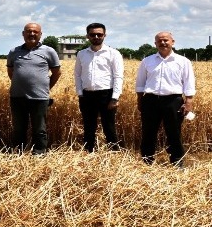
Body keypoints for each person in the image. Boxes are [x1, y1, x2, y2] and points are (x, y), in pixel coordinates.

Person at [135, 31, 195, 167]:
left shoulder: (183, 62)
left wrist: (189, 101)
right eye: (159, 41)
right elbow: (140, 82)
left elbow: (189, 83)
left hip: (173, 101)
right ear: (155, 43)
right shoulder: (147, 61)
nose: (163, 43)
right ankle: (147, 162)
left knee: (174, 133)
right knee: (148, 132)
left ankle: (177, 163)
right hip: (150, 100)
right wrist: (140, 100)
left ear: (172, 42)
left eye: (166, 40)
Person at [7, 22, 61, 155]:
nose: (32, 34)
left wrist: (46, 87)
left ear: (40, 34)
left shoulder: (49, 51)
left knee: (39, 128)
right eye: (29, 31)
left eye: (35, 32)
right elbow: (11, 72)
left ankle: (39, 153)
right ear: (23, 34)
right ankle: (18, 152)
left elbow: (57, 73)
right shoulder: (14, 52)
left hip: (40, 97)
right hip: (17, 97)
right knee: (19, 128)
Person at [74, 22, 124, 152]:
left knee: (109, 126)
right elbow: (77, 75)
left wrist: (115, 98)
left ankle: (114, 153)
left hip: (106, 95)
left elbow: (118, 76)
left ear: (104, 35)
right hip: (87, 95)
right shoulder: (82, 54)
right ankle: (88, 152)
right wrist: (80, 94)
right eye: (93, 34)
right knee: (88, 126)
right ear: (88, 36)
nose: (96, 36)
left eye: (99, 34)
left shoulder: (113, 53)